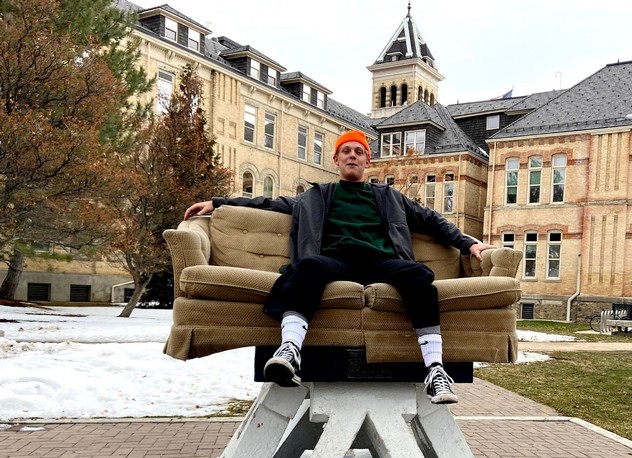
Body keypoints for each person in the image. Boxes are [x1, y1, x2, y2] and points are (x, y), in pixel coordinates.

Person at [184, 129, 492, 404]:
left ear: (367, 161)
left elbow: (432, 220)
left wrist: (469, 244)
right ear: (336, 159)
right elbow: (269, 203)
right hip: (335, 261)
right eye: (347, 151)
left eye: (359, 152)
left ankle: (435, 371)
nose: (353, 156)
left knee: (419, 277)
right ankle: (289, 351)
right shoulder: (316, 196)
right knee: (306, 268)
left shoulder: (388, 197)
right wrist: (218, 202)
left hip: (381, 262)